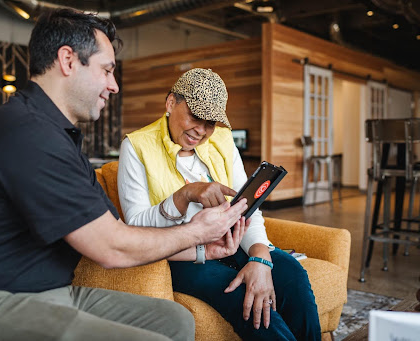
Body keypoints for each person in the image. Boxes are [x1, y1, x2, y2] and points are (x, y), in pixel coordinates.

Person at [0, 10, 250, 341]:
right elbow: (112, 250)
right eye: (107, 70)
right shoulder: (24, 132)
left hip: (41, 294)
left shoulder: (60, 138)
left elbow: (121, 234)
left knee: (173, 319)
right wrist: (196, 231)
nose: (114, 86)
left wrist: (205, 251)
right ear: (68, 60)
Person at [118, 68, 322, 340]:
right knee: (244, 297)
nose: (201, 131)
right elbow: (136, 227)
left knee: (292, 275)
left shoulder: (223, 140)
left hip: (231, 242)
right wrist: (185, 194)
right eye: (195, 116)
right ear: (170, 103)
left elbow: (246, 208)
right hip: (185, 257)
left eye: (210, 122)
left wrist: (260, 257)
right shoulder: (136, 146)